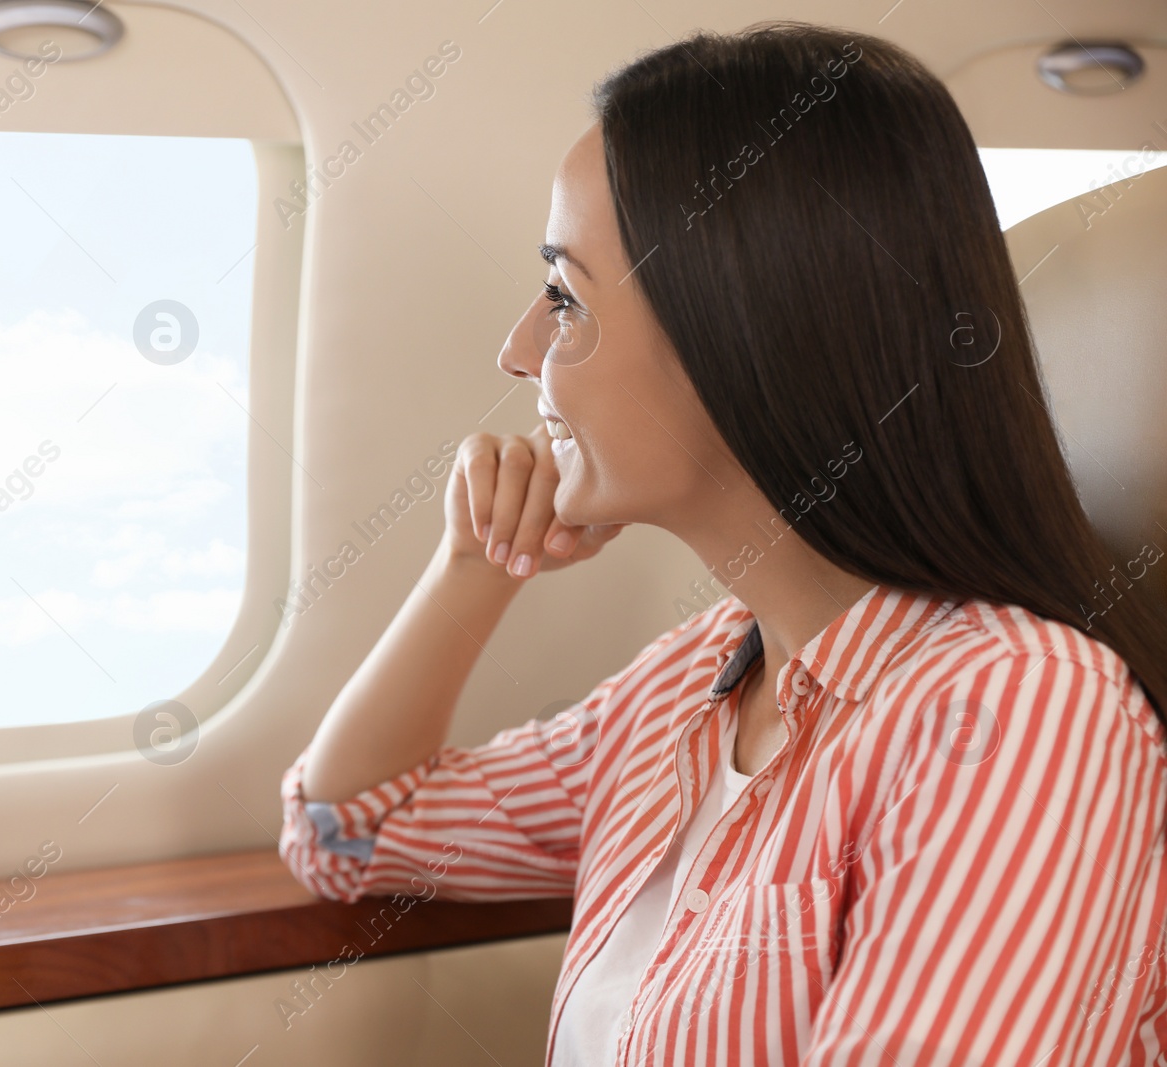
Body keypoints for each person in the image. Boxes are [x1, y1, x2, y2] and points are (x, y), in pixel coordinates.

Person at [278, 20, 1167, 1066]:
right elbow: (346, 833)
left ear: (744, 329)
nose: (519, 352)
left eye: (563, 297)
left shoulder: (1018, 710)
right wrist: (475, 564)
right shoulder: (692, 680)